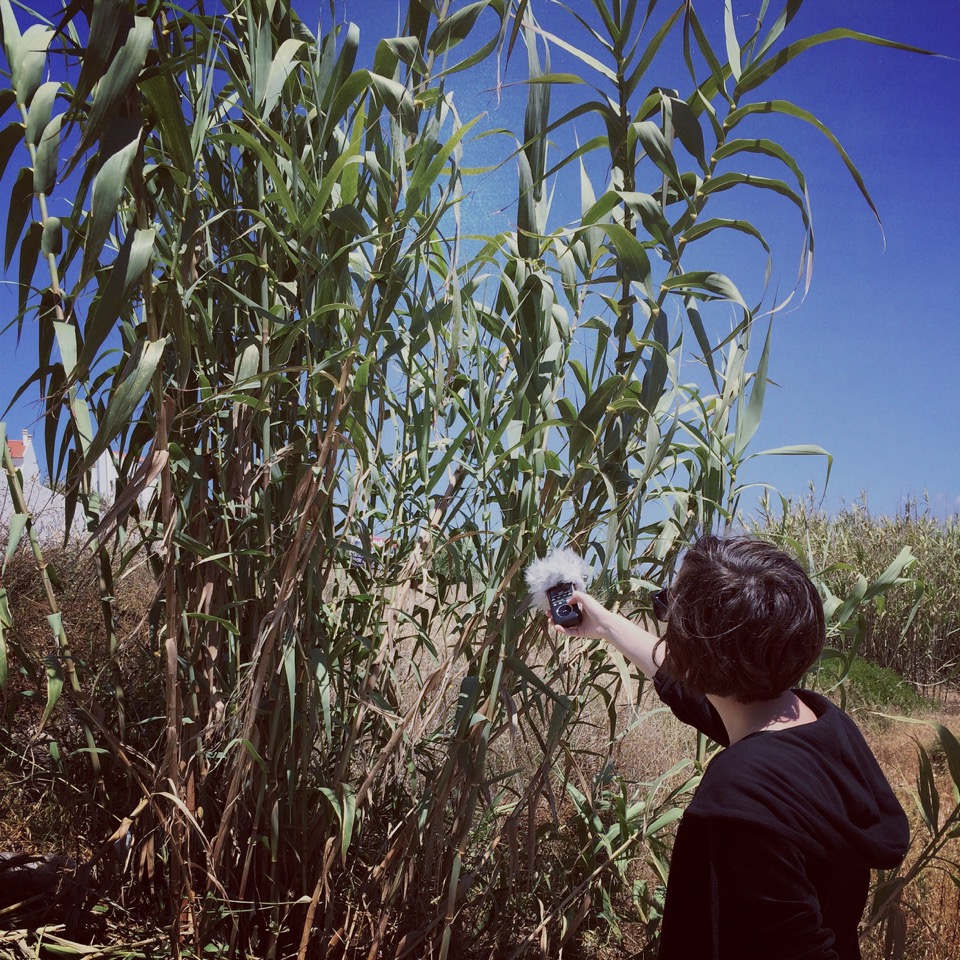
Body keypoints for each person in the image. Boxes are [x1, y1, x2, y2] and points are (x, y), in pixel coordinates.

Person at [551, 535, 909, 960]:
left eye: (668, 610)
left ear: (694, 656)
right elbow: (698, 692)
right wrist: (606, 624)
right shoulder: (824, 727)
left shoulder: (737, 804)